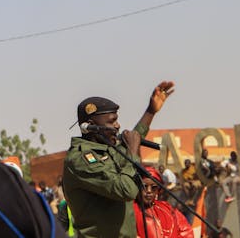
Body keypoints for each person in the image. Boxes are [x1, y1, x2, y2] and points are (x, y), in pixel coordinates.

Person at [62, 81, 175, 238]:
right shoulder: (81, 159)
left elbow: (132, 140)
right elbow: (126, 190)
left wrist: (150, 112)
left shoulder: (107, 149)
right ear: (91, 125)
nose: (117, 125)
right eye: (111, 121)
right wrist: (133, 152)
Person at [133, 166, 193, 238]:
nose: (149, 191)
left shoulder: (167, 208)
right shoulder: (130, 211)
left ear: (158, 190)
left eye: (154, 187)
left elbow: (187, 232)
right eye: (144, 186)